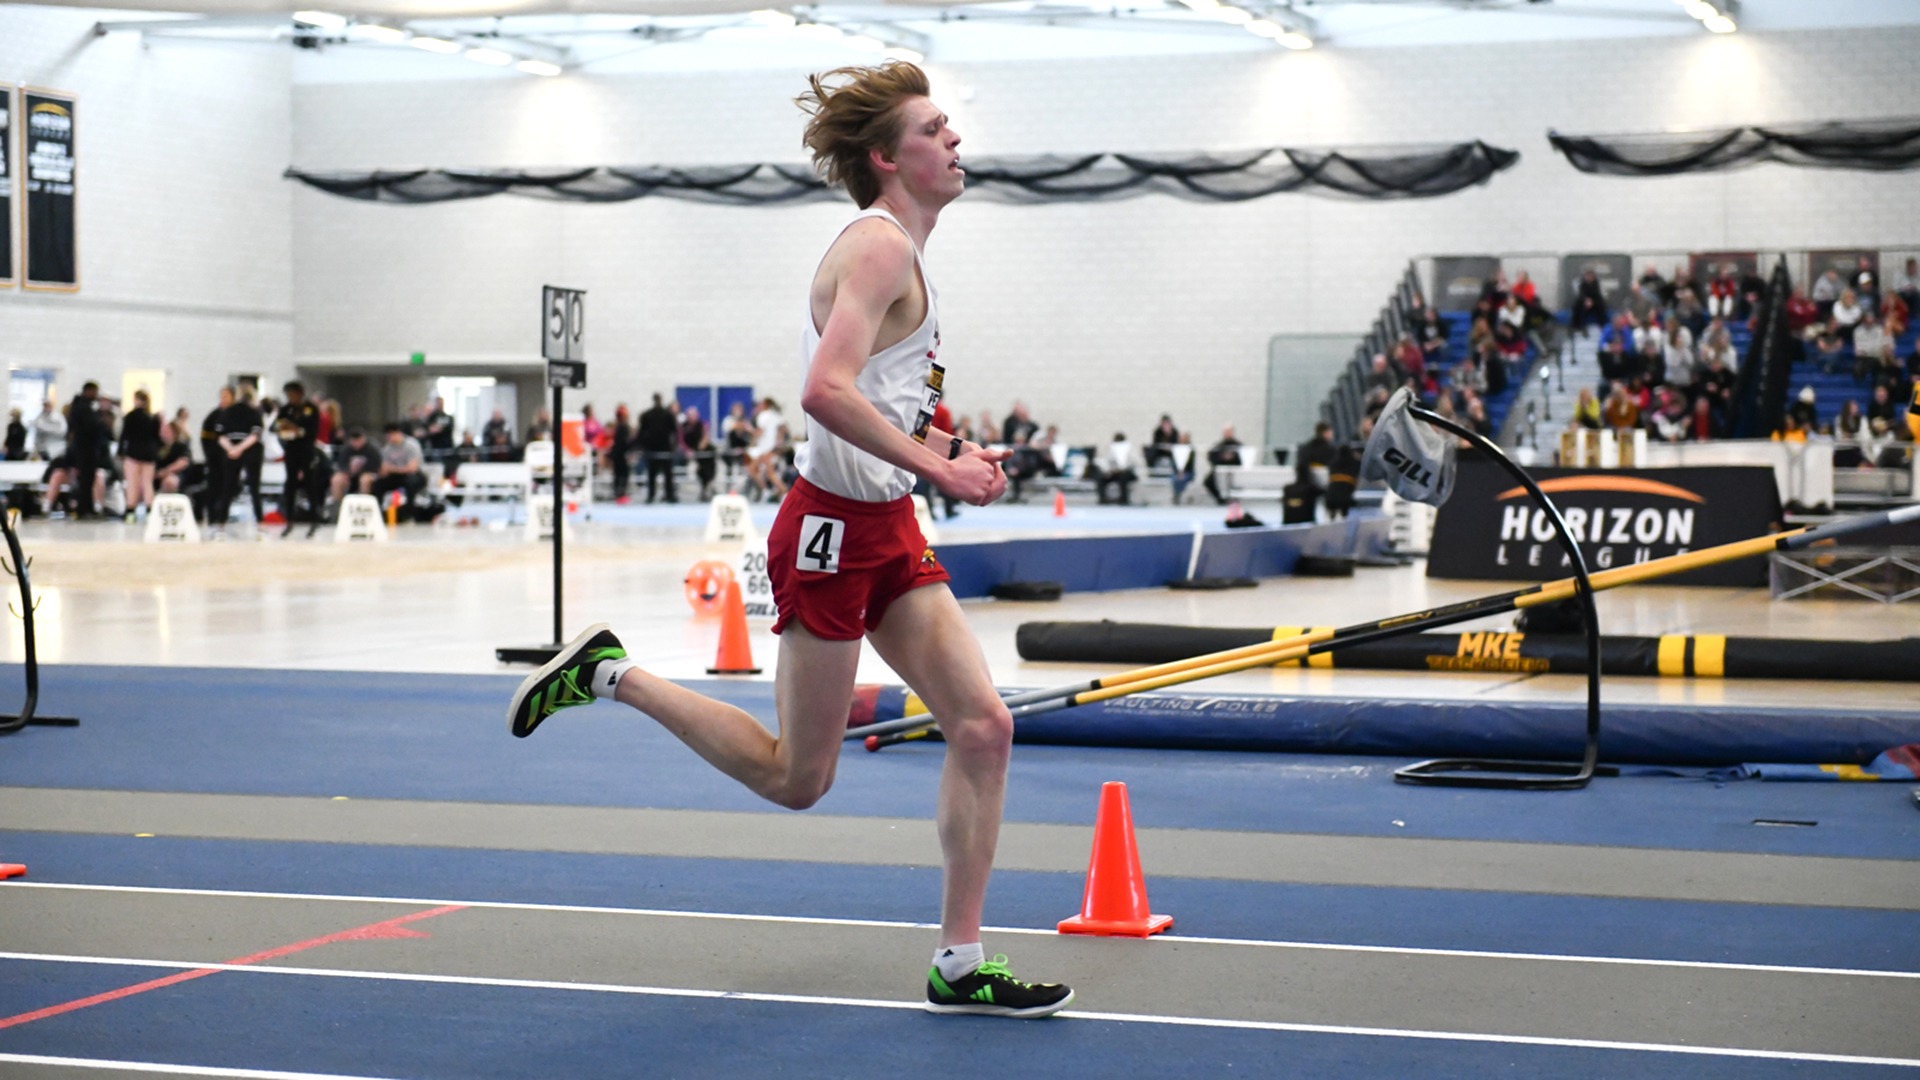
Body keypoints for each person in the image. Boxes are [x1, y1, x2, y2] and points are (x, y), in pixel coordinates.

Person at [505, 60, 1070, 1020]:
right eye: (936, 129)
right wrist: (940, 471)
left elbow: (871, 401)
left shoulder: (906, 254)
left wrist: (942, 446)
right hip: (828, 536)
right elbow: (823, 392)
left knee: (984, 726)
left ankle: (960, 960)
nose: (956, 141)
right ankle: (611, 672)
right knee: (796, 778)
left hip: (887, 522)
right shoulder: (879, 248)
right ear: (889, 157)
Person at [277, 381, 321, 535]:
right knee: (290, 485)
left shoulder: (311, 409)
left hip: (306, 451)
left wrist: (297, 430)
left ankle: (314, 520)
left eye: (293, 394)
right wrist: (289, 431)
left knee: (310, 485)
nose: (291, 398)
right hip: (291, 451)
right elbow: (278, 428)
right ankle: (289, 520)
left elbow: (312, 431)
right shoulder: (285, 409)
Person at [118, 389, 163, 522]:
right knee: (147, 483)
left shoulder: (130, 416)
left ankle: (130, 511)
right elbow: (157, 438)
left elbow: (124, 435)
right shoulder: (154, 418)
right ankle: (150, 511)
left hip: (133, 453)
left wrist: (121, 451)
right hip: (149, 454)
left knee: (132, 483)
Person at [370, 422, 427, 510]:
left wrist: (393, 468)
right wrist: (398, 469)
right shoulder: (387, 449)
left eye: (391, 435)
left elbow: (412, 468)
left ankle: (409, 512)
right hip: (397, 476)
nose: (389, 438)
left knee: (410, 483)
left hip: (415, 475)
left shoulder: (411, 445)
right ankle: (378, 511)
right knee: (378, 484)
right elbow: (384, 469)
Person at [637, 394, 679, 503]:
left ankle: (660, 495)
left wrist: (644, 446)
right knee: (659, 474)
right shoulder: (665, 415)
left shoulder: (651, 415)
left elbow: (674, 432)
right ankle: (663, 495)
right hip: (659, 448)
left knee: (659, 474)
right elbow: (674, 432)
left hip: (658, 448)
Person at [1203, 423, 1244, 505]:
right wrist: (1222, 458)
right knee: (1207, 481)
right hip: (1219, 470)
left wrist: (1232, 458)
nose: (1227, 433)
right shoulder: (1218, 445)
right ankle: (1220, 499)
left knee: (1236, 481)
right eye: (1225, 431)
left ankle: (1234, 500)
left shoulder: (1238, 445)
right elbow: (1210, 457)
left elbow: (1243, 460)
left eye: (1229, 431)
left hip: (1234, 470)